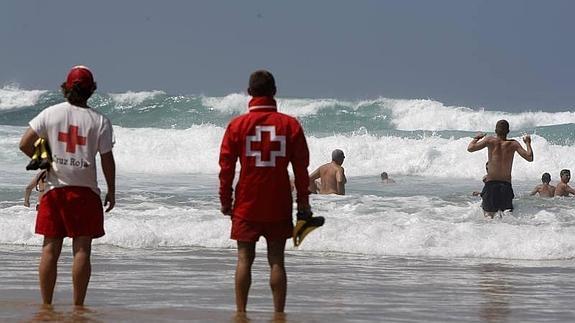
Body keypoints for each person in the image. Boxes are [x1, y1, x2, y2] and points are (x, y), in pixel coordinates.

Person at [19, 66, 116, 306]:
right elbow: (106, 158)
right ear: (91, 90)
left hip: (54, 191)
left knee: (50, 249)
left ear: (66, 87)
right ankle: (78, 306)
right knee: (82, 249)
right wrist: (112, 189)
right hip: (85, 192)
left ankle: (46, 305)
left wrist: (45, 162)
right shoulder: (100, 121)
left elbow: (24, 143)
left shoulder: (50, 113)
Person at [219, 70, 311, 313]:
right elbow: (301, 170)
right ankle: (278, 314)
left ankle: (241, 313)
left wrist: (225, 200)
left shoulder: (237, 125)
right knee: (277, 260)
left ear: (249, 93)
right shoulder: (290, 125)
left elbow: (226, 168)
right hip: (278, 201)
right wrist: (303, 203)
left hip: (246, 202)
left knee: (243, 260)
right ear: (274, 92)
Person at [467, 120, 533, 218]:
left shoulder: (489, 140)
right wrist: (528, 143)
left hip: (491, 185)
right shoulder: (513, 144)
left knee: (489, 217)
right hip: (506, 186)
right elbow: (529, 157)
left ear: (495, 130)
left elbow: (470, 148)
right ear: (508, 131)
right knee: (506, 219)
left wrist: (477, 138)